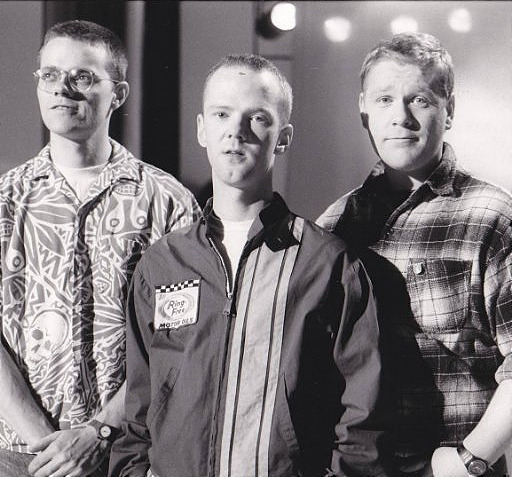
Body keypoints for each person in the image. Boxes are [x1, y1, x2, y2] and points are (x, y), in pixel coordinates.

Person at [109, 53, 388, 477]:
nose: (235, 131)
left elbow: (363, 418)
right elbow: (139, 407)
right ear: (202, 128)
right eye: (221, 114)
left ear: (283, 137)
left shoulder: (327, 263)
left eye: (257, 118)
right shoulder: (164, 263)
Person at [0, 19, 200, 477]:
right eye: (50, 74)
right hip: (18, 456)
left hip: (126, 454)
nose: (62, 89)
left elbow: (180, 337)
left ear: (119, 94)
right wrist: (47, 448)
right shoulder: (5, 200)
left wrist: (99, 432)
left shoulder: (167, 202)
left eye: (82, 77)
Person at [317, 32, 512, 477]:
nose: (400, 117)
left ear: (450, 110)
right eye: (384, 100)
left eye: (419, 100)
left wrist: (468, 461)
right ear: (364, 111)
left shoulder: (491, 217)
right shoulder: (334, 225)